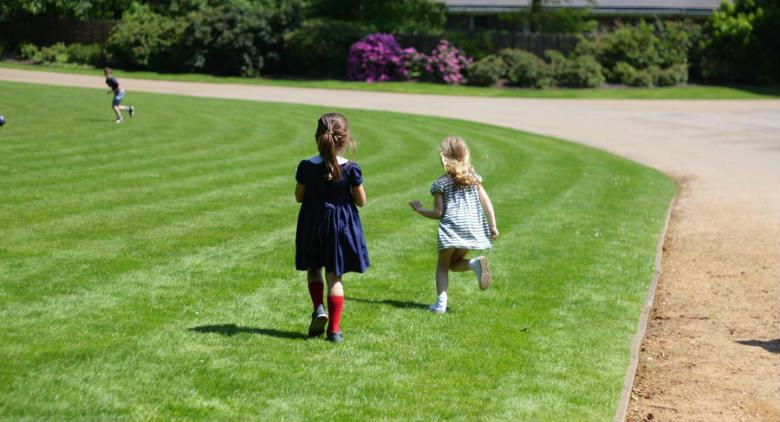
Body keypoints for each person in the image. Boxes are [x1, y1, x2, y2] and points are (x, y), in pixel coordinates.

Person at [295, 112, 369, 343]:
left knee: (314, 268)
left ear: (317, 137)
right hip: (340, 226)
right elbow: (361, 201)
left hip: (312, 223)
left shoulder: (307, 166)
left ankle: (319, 308)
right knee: (335, 276)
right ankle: (335, 331)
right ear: (344, 139)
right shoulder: (351, 168)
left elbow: (299, 196)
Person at [409, 136, 498, 314]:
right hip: (471, 228)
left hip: (452, 227)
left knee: (442, 266)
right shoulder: (473, 179)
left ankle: (440, 304)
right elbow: (486, 200)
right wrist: (493, 225)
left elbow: (438, 213)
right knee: (455, 263)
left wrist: (419, 209)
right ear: (466, 155)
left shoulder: (440, 183)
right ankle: (474, 264)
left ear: (443, 158)